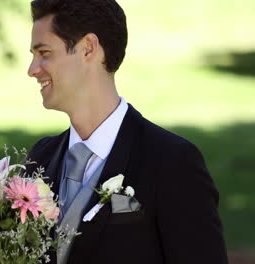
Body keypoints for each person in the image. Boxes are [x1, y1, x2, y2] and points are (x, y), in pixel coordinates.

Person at [24, 0, 228, 263]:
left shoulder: (172, 162)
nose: (32, 69)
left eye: (44, 53)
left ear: (88, 48)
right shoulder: (40, 158)